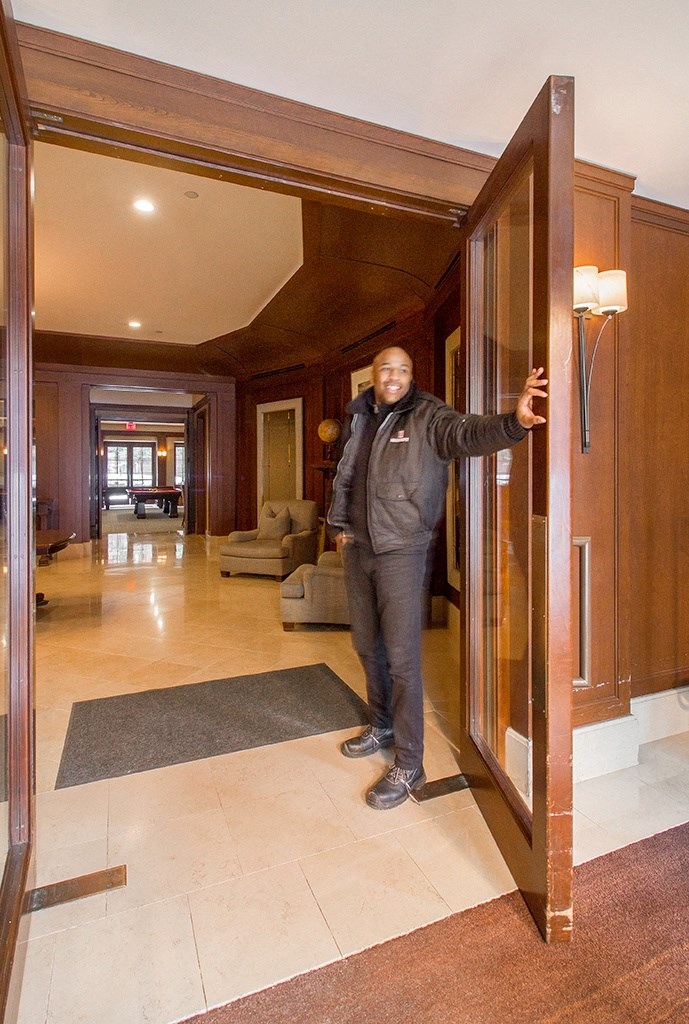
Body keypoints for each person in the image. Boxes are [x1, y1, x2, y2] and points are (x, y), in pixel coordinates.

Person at [328, 346, 547, 810]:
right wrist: (342, 528)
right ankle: (381, 723)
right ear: (374, 374)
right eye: (386, 367)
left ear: (411, 376)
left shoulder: (428, 417)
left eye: (403, 369)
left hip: (402, 551)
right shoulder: (360, 417)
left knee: (403, 660)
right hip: (359, 549)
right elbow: (347, 476)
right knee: (367, 646)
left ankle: (410, 763)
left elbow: (468, 434)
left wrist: (515, 422)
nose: (394, 376)